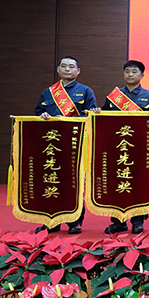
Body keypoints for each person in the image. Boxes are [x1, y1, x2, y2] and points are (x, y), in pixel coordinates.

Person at [34, 56, 99, 234]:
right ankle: (51, 221)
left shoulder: (86, 91)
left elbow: (91, 117)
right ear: (58, 70)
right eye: (63, 66)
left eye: (71, 67)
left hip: (75, 144)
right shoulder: (49, 92)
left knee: (74, 183)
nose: (67, 69)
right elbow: (38, 113)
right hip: (51, 144)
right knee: (51, 180)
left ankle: (74, 222)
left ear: (78, 71)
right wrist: (43, 116)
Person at [102, 60, 149, 235]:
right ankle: (118, 221)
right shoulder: (114, 97)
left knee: (139, 184)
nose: (130, 74)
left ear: (142, 75)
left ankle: (138, 221)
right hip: (117, 148)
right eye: (127, 71)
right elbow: (104, 119)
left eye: (134, 71)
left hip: (140, 148)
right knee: (117, 183)